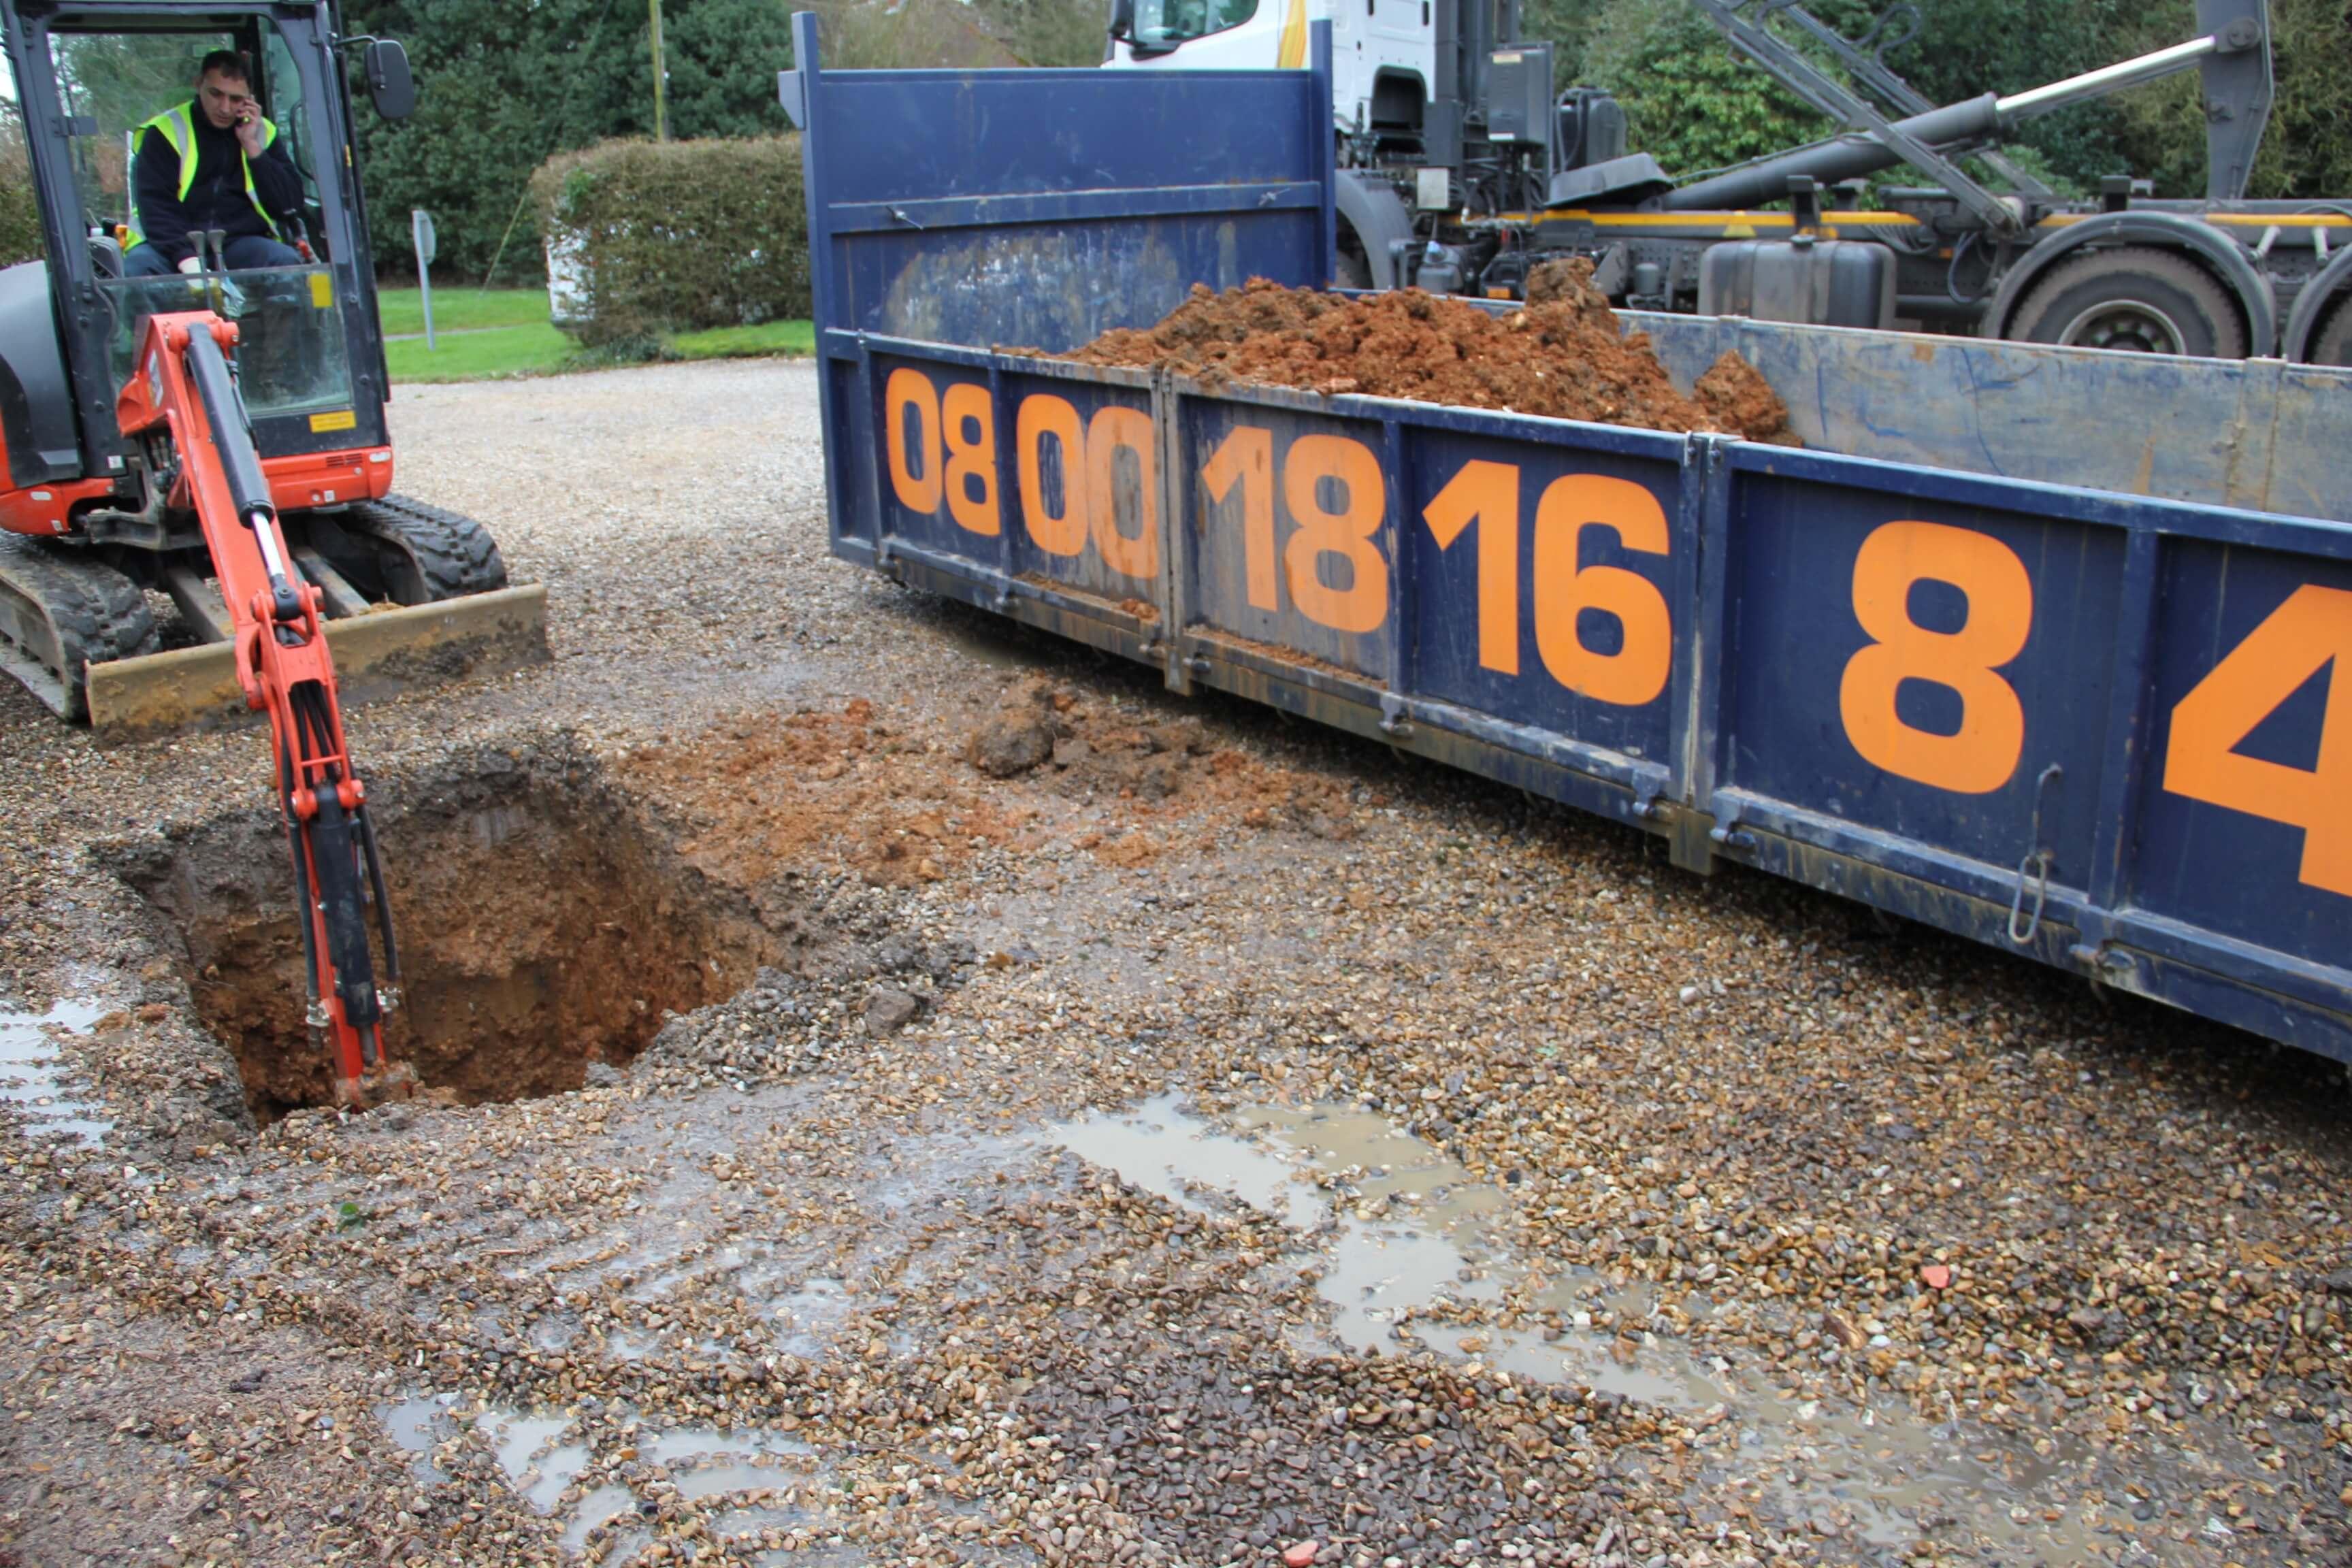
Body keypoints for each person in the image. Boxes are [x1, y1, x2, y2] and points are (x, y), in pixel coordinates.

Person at [122, 49, 304, 277]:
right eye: (216, 94)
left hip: (238, 243)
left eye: (236, 99)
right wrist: (186, 259)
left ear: (250, 98)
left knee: (286, 262)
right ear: (198, 85)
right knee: (139, 268)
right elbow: (156, 204)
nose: (225, 108)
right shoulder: (165, 132)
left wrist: (253, 148)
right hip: (170, 244)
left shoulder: (263, 133)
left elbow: (289, 205)